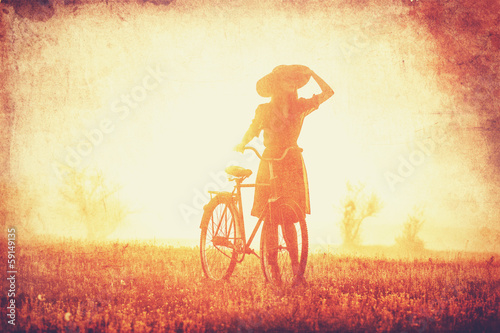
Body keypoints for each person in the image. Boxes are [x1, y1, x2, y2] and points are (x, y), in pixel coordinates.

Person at [234, 65, 334, 285]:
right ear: (276, 84)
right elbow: (252, 129)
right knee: (270, 218)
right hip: (270, 160)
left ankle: (297, 271)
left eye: (294, 80)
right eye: (286, 80)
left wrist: (313, 73)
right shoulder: (264, 109)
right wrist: (242, 143)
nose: (291, 84)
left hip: (291, 161)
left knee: (290, 219)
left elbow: (328, 93)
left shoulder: (300, 106)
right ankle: (273, 270)